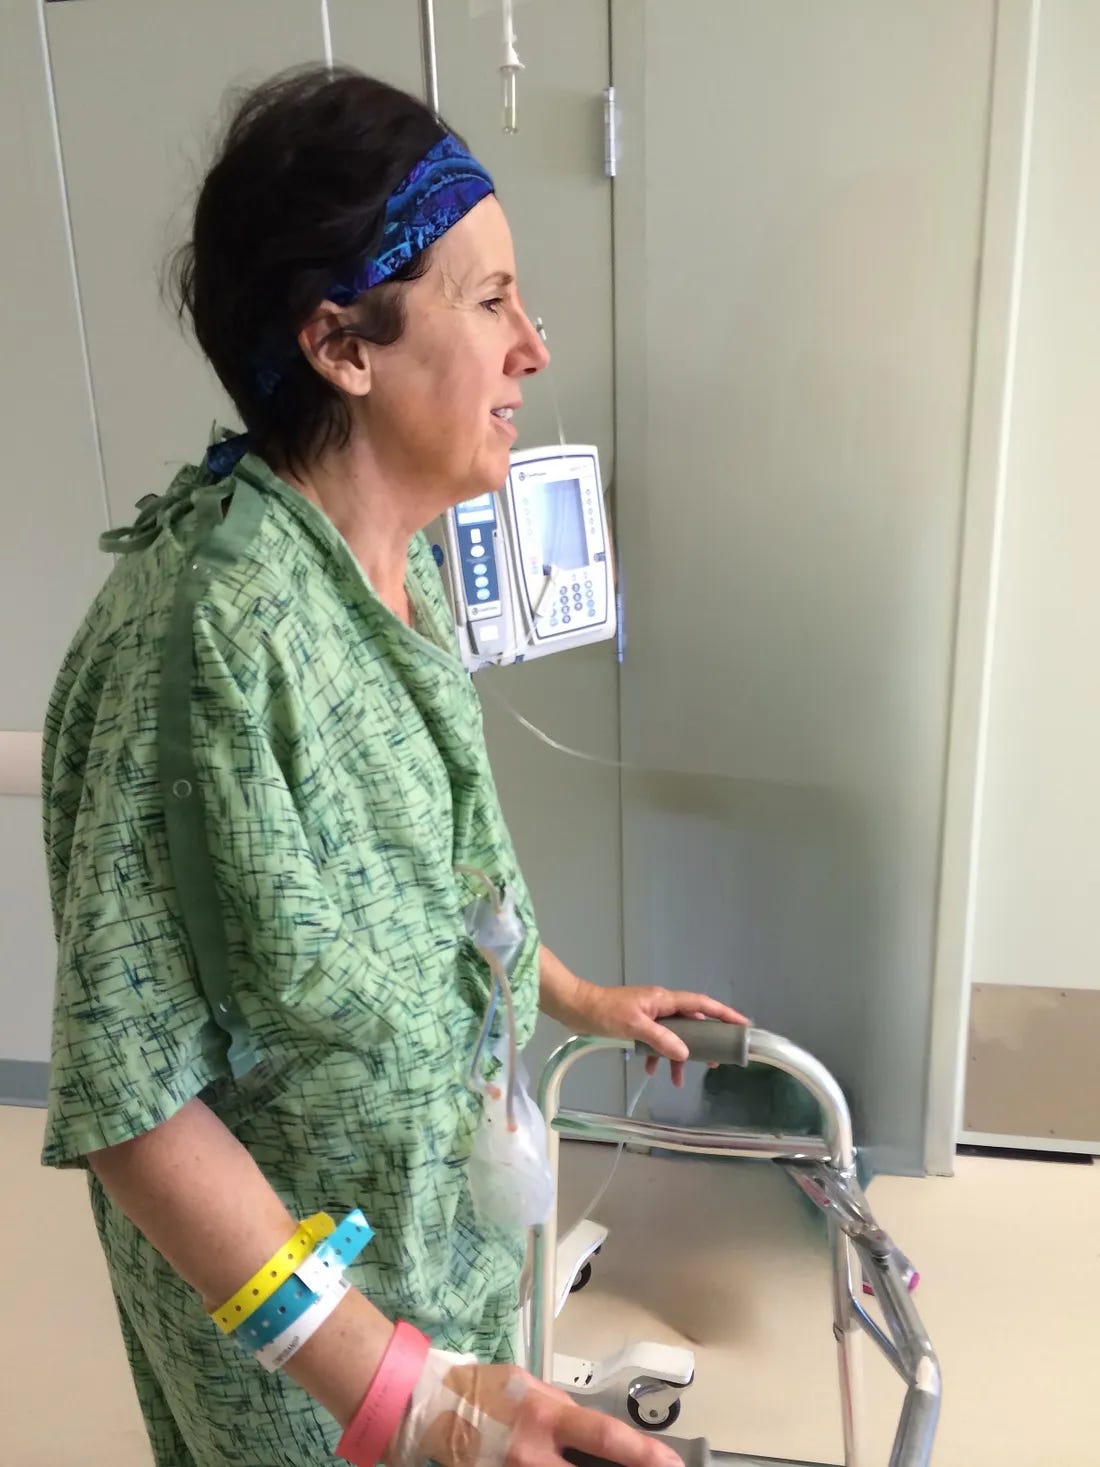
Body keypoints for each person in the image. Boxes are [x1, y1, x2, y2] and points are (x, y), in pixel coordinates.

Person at [40, 65, 745, 1467]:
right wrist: (401, 1399)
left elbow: (432, 876)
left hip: (444, 1260)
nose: (534, 347)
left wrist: (568, 992)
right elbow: (135, 1112)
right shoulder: (206, 643)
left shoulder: (393, 562)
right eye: (489, 303)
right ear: (340, 345)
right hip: (317, 1368)